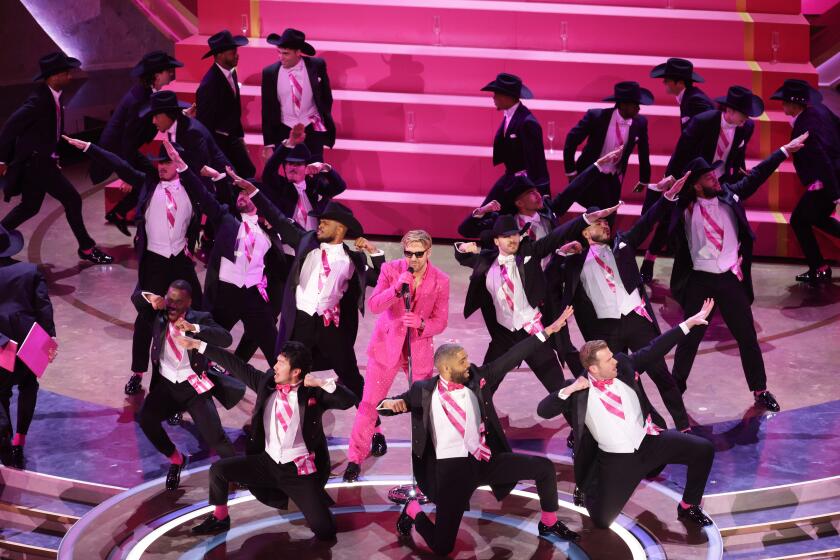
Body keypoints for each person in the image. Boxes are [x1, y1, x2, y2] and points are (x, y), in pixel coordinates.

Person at [377, 310, 580, 556]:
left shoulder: (477, 377)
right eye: (462, 361)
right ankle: (413, 511)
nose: (468, 363)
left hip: (484, 459)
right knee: (443, 548)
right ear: (445, 368)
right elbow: (390, 405)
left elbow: (512, 355)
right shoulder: (423, 391)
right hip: (450, 473)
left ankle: (548, 522)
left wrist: (547, 331)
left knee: (544, 469)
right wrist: (388, 405)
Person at [536, 299, 717, 530]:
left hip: (649, 442)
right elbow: (544, 409)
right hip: (617, 460)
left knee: (703, 449)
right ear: (593, 368)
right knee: (601, 521)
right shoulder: (578, 391)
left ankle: (688, 505)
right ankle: (588, 488)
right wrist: (568, 389)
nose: (615, 360)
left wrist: (688, 324)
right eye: (608, 359)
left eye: (612, 356)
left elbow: (654, 348)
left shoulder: (622, 365)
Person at [667, 132, 810, 409]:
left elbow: (757, 175)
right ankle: (676, 390)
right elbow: (662, 210)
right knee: (689, 339)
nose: (715, 179)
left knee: (747, 336)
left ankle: (759, 389)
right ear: (696, 185)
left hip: (730, 279)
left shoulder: (730, 195)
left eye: (714, 175)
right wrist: (667, 193)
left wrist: (783, 151)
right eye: (709, 178)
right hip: (700, 281)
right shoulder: (685, 207)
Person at [64, 136, 205, 396]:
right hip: (154, 261)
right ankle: (137, 372)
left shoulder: (192, 188)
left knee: (198, 315)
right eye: (159, 162)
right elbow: (118, 163)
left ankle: (193, 374)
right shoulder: (147, 183)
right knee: (145, 319)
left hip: (180, 262)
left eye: (167, 162)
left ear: (178, 164)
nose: (161, 166)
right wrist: (88, 147)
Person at [230, 173, 385, 403]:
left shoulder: (353, 260)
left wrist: (374, 253)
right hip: (300, 322)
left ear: (341, 229)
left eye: (325, 222)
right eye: (320, 221)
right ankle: (268, 418)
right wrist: (254, 192)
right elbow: (279, 218)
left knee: (351, 377)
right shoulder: (306, 240)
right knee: (285, 372)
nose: (319, 225)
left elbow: (384, 279)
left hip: (330, 326)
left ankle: (373, 428)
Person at [185, 340, 356, 538]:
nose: (274, 366)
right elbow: (236, 365)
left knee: (325, 530)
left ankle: (315, 502)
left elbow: (348, 400)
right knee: (219, 470)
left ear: (296, 372)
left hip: (297, 471)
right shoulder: (267, 383)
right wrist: (199, 345)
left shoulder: (313, 393)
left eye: (281, 363)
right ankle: (220, 517)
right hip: (266, 462)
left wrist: (321, 382)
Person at [559, 177, 690, 430]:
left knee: (661, 374)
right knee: (625, 381)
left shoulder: (623, 244)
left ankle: (684, 426)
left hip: (636, 320)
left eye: (607, 221)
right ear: (585, 230)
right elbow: (551, 272)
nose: (606, 225)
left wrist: (667, 198)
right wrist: (560, 253)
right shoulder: (573, 262)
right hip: (607, 331)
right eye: (599, 222)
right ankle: (644, 425)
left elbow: (647, 222)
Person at [454, 206, 616, 394]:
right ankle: (481, 421)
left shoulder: (529, 253)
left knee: (558, 389)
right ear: (496, 240)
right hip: (503, 336)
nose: (513, 239)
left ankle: (581, 423)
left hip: (533, 332)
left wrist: (585, 219)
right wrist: (463, 247)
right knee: (484, 386)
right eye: (507, 236)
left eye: (515, 234)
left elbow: (556, 235)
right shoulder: (485, 261)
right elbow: (461, 255)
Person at [343, 230, 450, 482]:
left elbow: (441, 320)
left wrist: (422, 322)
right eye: (408, 253)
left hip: (418, 350)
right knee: (369, 403)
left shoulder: (441, 280)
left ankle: (426, 463)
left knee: (422, 408)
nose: (413, 258)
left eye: (418, 254)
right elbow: (374, 305)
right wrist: (396, 289)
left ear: (429, 252)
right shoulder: (391, 270)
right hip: (386, 347)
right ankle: (355, 458)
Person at [167, 143, 285, 368]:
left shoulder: (270, 232)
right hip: (225, 296)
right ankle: (189, 378)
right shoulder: (226, 220)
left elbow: (282, 265)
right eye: (240, 193)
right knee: (202, 339)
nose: (241, 197)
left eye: (246, 193)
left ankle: (288, 390)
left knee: (275, 351)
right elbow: (202, 194)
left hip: (254, 299)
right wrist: (182, 167)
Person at [0, 52, 112, 264]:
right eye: (65, 73)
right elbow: (9, 129)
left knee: (30, 206)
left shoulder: (54, 96)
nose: (70, 77)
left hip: (41, 161)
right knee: (72, 199)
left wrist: (53, 155)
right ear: (53, 76)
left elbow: (46, 133)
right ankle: (87, 248)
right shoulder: (37, 101)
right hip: (36, 165)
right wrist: (2, 160)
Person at [133, 280, 244, 491]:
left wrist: (195, 328)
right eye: (169, 299)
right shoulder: (158, 314)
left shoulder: (200, 319)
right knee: (147, 419)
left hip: (193, 387)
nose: (172, 305)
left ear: (189, 302)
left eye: (178, 301)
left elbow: (226, 338)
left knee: (216, 437)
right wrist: (150, 297)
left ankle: (235, 471)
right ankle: (176, 459)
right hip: (166, 385)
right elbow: (136, 298)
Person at [92, 50, 183, 236]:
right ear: (157, 75)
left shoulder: (148, 93)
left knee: (152, 180)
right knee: (146, 182)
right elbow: (127, 137)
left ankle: (120, 214)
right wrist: (126, 173)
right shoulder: (138, 99)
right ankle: (141, 229)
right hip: (118, 150)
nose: (171, 74)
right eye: (168, 70)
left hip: (128, 148)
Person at [641, 57, 714, 281]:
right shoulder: (689, 99)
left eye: (667, 81)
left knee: (670, 214)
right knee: (667, 213)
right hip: (689, 170)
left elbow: (695, 142)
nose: (664, 85)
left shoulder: (696, 102)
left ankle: (651, 263)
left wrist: (681, 174)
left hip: (693, 172)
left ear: (678, 82)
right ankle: (649, 262)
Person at [770, 79, 840, 283]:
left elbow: (822, 159)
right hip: (831, 177)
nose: (782, 105)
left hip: (827, 181)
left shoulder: (804, 126)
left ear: (794, 104)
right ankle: (820, 267)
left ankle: (819, 267)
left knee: (799, 220)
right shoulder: (820, 110)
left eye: (784, 102)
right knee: (815, 218)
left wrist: (835, 194)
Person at [0, 225, 58, 468]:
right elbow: (44, 309)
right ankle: (19, 441)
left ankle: (5, 447)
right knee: (28, 386)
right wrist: (48, 343)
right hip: (27, 342)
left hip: (0, 345)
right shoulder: (29, 271)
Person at [563, 81, 652, 213]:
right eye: (635, 104)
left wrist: (644, 180)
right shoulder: (597, 117)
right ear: (623, 104)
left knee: (609, 216)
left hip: (614, 178)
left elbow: (644, 152)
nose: (639, 108)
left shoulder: (640, 122)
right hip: (591, 175)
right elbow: (571, 141)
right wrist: (571, 172)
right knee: (589, 217)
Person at [262, 28, 335, 162]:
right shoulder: (270, 73)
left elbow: (326, 97)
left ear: (298, 52)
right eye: (279, 52)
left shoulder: (317, 66)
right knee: (287, 173)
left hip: (312, 127)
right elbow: (267, 109)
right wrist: (269, 144)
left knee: (315, 170)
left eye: (286, 53)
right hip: (284, 128)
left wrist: (322, 122)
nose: (281, 57)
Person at [261, 124, 346, 230]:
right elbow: (270, 169)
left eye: (298, 164)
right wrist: (289, 144)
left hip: (315, 240)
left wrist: (324, 168)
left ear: (306, 167)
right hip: (288, 243)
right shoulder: (279, 186)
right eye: (289, 163)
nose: (292, 167)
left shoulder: (315, 186)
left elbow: (340, 187)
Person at [481, 73, 549, 203]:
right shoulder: (510, 115)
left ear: (507, 97)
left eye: (496, 94)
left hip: (521, 184)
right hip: (510, 177)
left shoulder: (528, 123)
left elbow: (537, 161)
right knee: (487, 212)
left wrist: (540, 191)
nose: (493, 97)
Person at [196, 30, 256, 179]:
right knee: (234, 177)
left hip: (233, 138)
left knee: (248, 172)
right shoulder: (209, 85)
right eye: (232, 52)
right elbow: (204, 123)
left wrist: (240, 139)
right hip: (219, 143)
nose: (237, 55)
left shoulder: (231, 72)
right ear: (220, 55)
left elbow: (234, 110)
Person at [649, 57, 714, 131]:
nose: (663, 82)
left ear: (680, 83)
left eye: (667, 80)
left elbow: (707, 130)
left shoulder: (695, 100)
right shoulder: (688, 97)